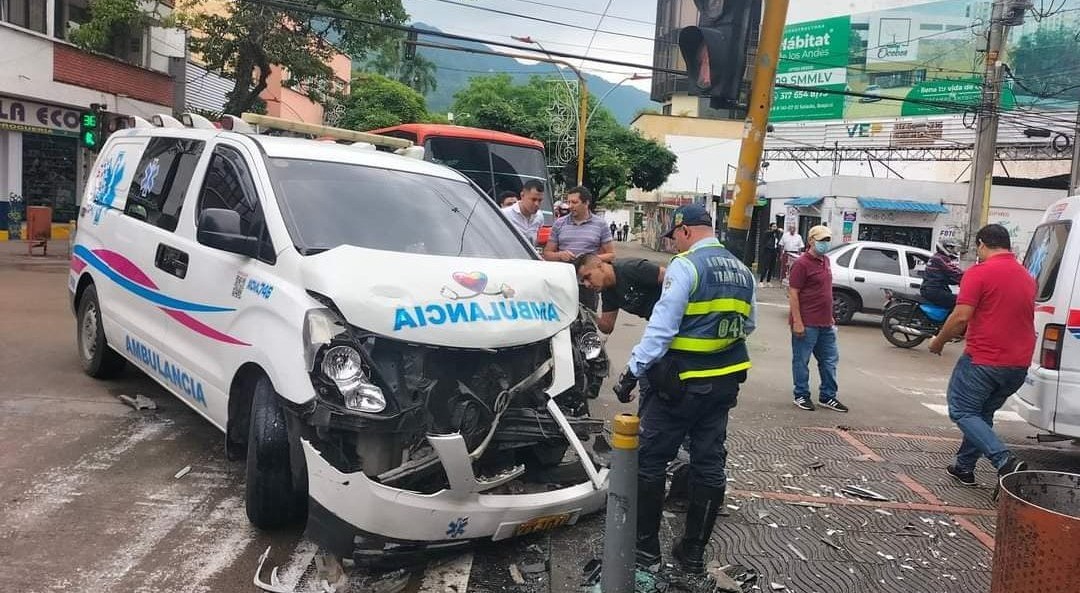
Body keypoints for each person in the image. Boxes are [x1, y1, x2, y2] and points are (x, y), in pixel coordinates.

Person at [612, 204, 756, 575]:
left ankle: (646, 550)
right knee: (709, 464)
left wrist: (631, 372)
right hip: (724, 384)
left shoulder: (686, 266)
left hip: (680, 385)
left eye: (674, 236)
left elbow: (661, 329)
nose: (674, 244)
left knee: (650, 461)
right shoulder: (742, 271)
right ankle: (692, 553)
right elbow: (748, 324)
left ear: (686, 230)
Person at [929, 224, 1033, 489]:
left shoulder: (979, 272)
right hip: (1018, 365)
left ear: (982, 245)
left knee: (962, 410)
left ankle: (1004, 460)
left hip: (985, 360)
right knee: (982, 414)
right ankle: (964, 467)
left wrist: (938, 342)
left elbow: (961, 316)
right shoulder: (1026, 276)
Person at [788, 225, 849, 413]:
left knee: (830, 360)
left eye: (828, 240)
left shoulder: (826, 261)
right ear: (811, 241)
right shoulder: (801, 264)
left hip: (825, 323)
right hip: (807, 322)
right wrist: (797, 321)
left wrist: (830, 317)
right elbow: (793, 293)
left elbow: (825, 291)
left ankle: (828, 396)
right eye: (822, 240)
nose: (825, 243)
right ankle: (801, 394)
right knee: (801, 361)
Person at [543, 186, 614, 309]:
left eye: (574, 202)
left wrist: (588, 259)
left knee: (587, 317)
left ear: (586, 203)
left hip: (588, 284)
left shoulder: (600, 225)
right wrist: (560, 255)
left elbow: (611, 255)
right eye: (568, 202)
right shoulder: (559, 223)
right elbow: (547, 254)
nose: (570, 206)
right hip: (563, 283)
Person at [574, 254, 665, 334]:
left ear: (600, 266)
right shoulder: (608, 291)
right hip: (659, 322)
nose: (587, 284)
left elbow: (670, 276)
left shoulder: (630, 268)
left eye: (588, 277)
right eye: (583, 281)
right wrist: (587, 313)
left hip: (671, 315)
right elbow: (607, 327)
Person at [921, 238, 963, 310]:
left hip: (929, 289)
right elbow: (954, 272)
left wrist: (959, 281)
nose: (953, 250)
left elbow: (948, 277)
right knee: (960, 301)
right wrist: (969, 277)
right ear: (945, 248)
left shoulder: (937, 257)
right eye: (951, 248)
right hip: (934, 290)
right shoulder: (941, 259)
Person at [500, 180, 545, 247]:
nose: (537, 204)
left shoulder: (539, 216)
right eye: (533, 199)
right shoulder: (504, 214)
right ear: (522, 195)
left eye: (540, 200)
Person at [759, 222, 782, 287]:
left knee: (771, 267)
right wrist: (777, 230)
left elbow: (777, 243)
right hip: (768, 251)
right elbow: (770, 233)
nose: (775, 228)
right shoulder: (768, 233)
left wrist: (778, 252)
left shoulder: (776, 234)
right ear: (770, 227)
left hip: (774, 251)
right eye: (773, 226)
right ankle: (761, 281)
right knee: (765, 266)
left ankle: (768, 281)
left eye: (776, 226)